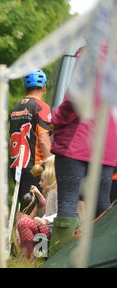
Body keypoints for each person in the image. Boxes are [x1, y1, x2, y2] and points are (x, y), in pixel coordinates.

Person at [49, 94, 117, 256]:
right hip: (106, 148)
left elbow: (74, 101)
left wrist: (55, 120)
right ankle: (101, 259)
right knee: (102, 207)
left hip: (76, 143)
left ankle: (60, 262)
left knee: (68, 204)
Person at [9, 69, 52, 210]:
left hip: (16, 164)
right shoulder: (42, 107)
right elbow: (44, 139)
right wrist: (51, 164)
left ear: (25, 87)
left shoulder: (16, 108)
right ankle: (22, 232)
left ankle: (18, 231)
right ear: (44, 87)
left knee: (24, 205)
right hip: (35, 166)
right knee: (31, 209)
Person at [17, 155, 57, 260]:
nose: (40, 183)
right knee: (24, 222)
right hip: (48, 226)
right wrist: (39, 195)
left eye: (42, 180)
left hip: (52, 228)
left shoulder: (58, 191)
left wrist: (46, 220)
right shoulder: (52, 191)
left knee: (23, 223)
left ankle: (29, 258)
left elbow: (61, 212)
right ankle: (34, 256)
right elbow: (48, 209)